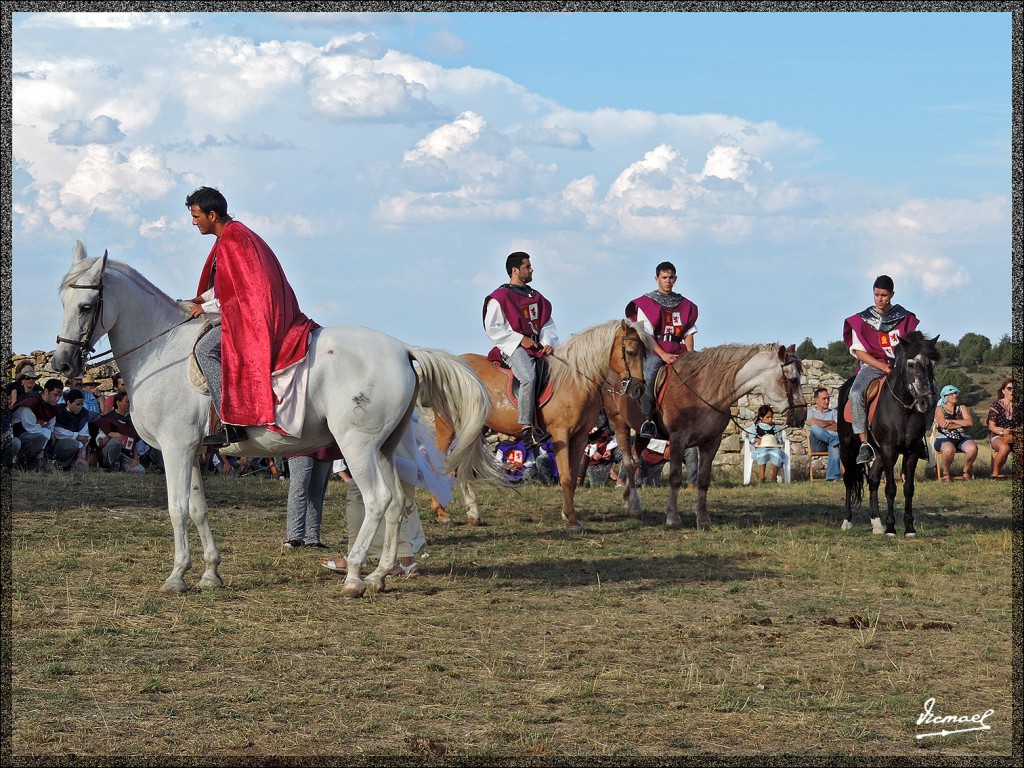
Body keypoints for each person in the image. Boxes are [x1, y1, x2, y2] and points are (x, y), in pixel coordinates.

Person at [185, 186, 318, 446]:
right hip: (246, 310)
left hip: (255, 317)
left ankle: (231, 422)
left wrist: (207, 308)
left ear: (213, 215)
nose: (193, 222)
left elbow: (246, 294)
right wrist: (202, 298)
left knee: (205, 350)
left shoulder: (234, 239)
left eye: (196, 216)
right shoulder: (231, 236)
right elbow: (230, 284)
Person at [321, 413, 446, 578]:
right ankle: (407, 561)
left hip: (388, 450)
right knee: (396, 500)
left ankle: (357, 556)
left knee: (361, 493)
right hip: (398, 450)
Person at [842, 274, 926, 465]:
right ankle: (864, 443)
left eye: (884, 295)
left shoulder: (904, 318)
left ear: (892, 295)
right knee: (855, 394)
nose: (880, 299)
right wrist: (882, 366)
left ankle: (919, 439)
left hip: (901, 367)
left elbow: (913, 346)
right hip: (872, 366)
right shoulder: (862, 320)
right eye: (877, 294)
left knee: (929, 390)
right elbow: (859, 352)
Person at [483, 251, 558, 448]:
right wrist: (520, 339)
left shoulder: (536, 297)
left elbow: (547, 323)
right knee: (528, 376)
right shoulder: (500, 296)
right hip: (512, 348)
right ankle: (526, 428)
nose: (531, 269)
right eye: (527, 266)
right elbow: (493, 328)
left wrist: (548, 340)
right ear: (515, 270)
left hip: (537, 347)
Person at [625, 261, 698, 439]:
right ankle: (648, 418)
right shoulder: (646, 303)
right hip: (655, 351)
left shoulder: (685, 305)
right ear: (656, 279)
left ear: (676, 279)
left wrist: (690, 354)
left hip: (679, 350)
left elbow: (689, 331)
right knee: (648, 374)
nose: (668, 281)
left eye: (671, 277)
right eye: (664, 277)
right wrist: (663, 354)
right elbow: (647, 334)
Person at [284, 445, 341, 548]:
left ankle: (312, 538)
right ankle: (295, 536)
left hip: (324, 443)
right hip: (301, 440)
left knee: (318, 490)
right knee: (299, 485)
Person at [11, 377, 62, 470]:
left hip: (35, 438)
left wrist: (43, 445)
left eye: (59, 396)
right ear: (46, 391)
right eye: (55, 395)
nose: (57, 399)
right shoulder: (30, 403)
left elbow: (50, 426)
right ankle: (18, 462)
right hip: (18, 435)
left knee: (43, 466)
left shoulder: (54, 407)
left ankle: (27, 463)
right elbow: (31, 428)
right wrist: (48, 435)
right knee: (40, 438)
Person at [933, 385, 978, 481]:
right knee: (949, 449)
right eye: (951, 394)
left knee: (972, 448)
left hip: (962, 436)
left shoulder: (962, 408)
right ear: (945, 397)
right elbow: (943, 425)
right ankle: (946, 473)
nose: (954, 396)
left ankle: (965, 471)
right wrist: (961, 424)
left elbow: (969, 422)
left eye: (955, 393)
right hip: (944, 437)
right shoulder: (939, 409)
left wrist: (952, 421)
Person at [96, 392, 147, 473]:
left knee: (140, 470)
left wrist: (135, 457)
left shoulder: (131, 420)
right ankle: (111, 467)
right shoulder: (108, 419)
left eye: (130, 402)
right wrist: (109, 435)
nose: (129, 404)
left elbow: (133, 441)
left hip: (124, 455)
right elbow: (100, 443)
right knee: (116, 441)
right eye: (127, 402)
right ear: (118, 403)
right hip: (107, 455)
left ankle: (121, 467)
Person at [50, 388, 91, 472]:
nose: (80, 407)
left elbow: (84, 436)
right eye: (77, 404)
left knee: (83, 470)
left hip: (77, 451)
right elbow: (58, 432)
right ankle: (58, 464)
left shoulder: (83, 414)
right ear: (69, 402)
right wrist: (76, 436)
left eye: (81, 404)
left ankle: (67, 466)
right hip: (60, 446)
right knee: (72, 444)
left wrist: (80, 455)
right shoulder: (58, 411)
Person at [806, 387, 841, 481]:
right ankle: (834, 441)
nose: (827, 401)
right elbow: (811, 423)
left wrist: (820, 425)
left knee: (834, 446)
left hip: (831, 441)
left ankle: (832, 478)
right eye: (824, 399)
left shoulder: (834, 412)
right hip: (818, 444)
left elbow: (838, 427)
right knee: (814, 428)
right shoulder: (811, 412)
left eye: (828, 398)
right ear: (816, 400)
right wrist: (830, 422)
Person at [986, 379, 1018, 480]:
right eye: (1009, 388)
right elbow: (991, 426)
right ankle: (994, 474)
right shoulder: (996, 405)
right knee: (1004, 448)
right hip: (998, 435)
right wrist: (1002, 431)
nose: (1012, 391)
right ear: (1003, 391)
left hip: (1015, 435)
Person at [748, 404, 786, 483]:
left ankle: (774, 478)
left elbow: (779, 437)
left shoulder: (775, 427)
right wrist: (756, 439)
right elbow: (750, 438)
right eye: (767, 417)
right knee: (763, 454)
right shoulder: (755, 427)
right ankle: (762, 478)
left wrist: (778, 440)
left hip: (774, 447)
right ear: (761, 417)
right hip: (762, 447)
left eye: (771, 417)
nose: (770, 419)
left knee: (778, 455)